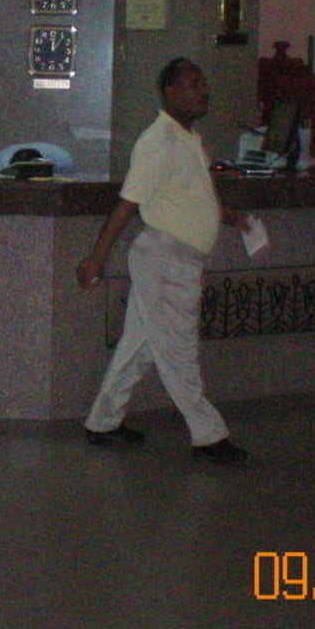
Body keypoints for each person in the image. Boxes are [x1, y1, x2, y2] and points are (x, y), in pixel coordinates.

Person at [77, 57, 252, 467]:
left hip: (176, 260)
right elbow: (127, 205)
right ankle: (209, 435)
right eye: (193, 84)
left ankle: (103, 421)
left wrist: (232, 218)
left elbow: (195, 196)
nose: (203, 90)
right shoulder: (158, 141)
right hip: (165, 260)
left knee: (139, 348)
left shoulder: (188, 138)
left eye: (203, 82)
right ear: (170, 92)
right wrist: (96, 257)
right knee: (178, 350)